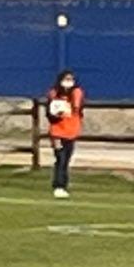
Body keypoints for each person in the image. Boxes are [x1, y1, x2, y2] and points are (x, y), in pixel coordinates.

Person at [43, 70, 85, 198]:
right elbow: (50, 113)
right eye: (66, 79)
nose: (68, 82)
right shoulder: (54, 93)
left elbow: (78, 108)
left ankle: (64, 184)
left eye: (71, 79)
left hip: (71, 132)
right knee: (60, 158)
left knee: (67, 159)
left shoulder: (77, 92)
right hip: (57, 132)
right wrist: (56, 114)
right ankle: (58, 185)